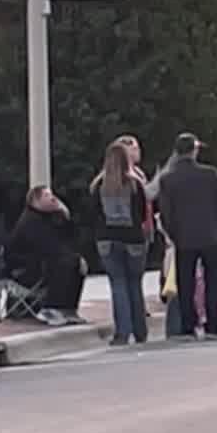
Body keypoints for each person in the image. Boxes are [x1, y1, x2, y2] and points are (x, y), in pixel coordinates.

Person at [156, 132, 217, 338]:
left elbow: (166, 212)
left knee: (185, 282)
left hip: (184, 238)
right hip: (210, 235)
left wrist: (174, 234)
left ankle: (188, 325)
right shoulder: (210, 174)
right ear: (194, 150)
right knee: (212, 281)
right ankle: (212, 323)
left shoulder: (168, 179)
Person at [92, 140, 151, 345]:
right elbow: (143, 212)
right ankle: (140, 330)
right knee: (135, 284)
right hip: (133, 238)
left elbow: (93, 214)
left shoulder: (99, 185)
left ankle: (122, 332)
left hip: (107, 239)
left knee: (117, 284)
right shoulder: (135, 184)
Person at [8, 186, 87, 326]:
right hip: (24, 268)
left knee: (76, 264)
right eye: (47, 196)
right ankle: (51, 308)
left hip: (45, 260)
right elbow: (46, 246)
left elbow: (67, 239)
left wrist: (65, 214)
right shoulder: (30, 220)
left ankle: (68, 309)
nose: (53, 199)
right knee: (64, 263)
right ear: (36, 201)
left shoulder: (50, 217)